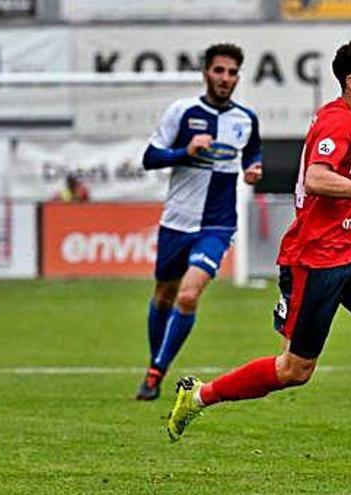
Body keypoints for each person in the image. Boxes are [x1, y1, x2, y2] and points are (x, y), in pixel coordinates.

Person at [166, 33, 351, 472]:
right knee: (295, 370)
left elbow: (348, 183)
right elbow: (318, 179)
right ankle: (198, 396)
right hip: (314, 260)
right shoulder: (337, 122)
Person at [134, 43, 264, 400]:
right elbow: (149, 158)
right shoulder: (183, 111)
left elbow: (252, 153)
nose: (225, 78)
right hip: (176, 222)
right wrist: (184, 152)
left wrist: (253, 169)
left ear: (238, 76)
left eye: (232, 72)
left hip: (217, 225)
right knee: (164, 295)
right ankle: (155, 360)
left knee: (188, 296)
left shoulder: (246, 119)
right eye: (219, 70)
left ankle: (155, 373)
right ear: (206, 72)